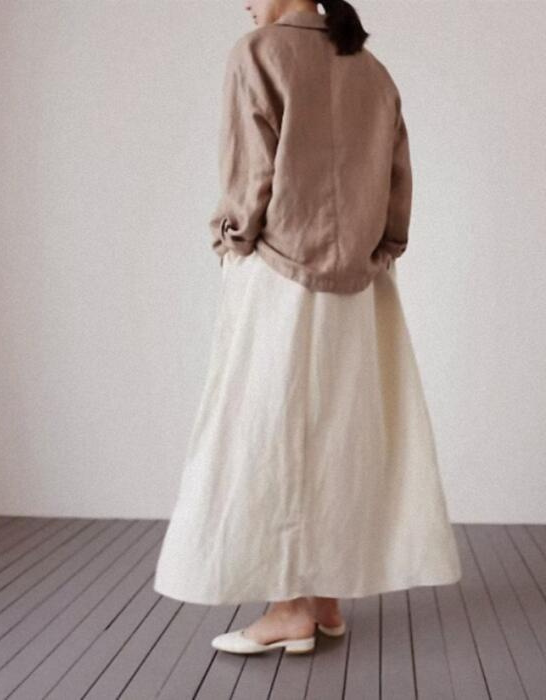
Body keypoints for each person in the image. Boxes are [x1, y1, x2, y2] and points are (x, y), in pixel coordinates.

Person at [153, 0, 462, 655]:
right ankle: (324, 599)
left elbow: (251, 174)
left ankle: (290, 608)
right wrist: (381, 250)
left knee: (272, 434)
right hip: (362, 287)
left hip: (278, 277)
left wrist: (231, 237)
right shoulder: (371, 69)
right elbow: (398, 182)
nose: (243, 1)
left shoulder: (258, 53)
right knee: (340, 433)